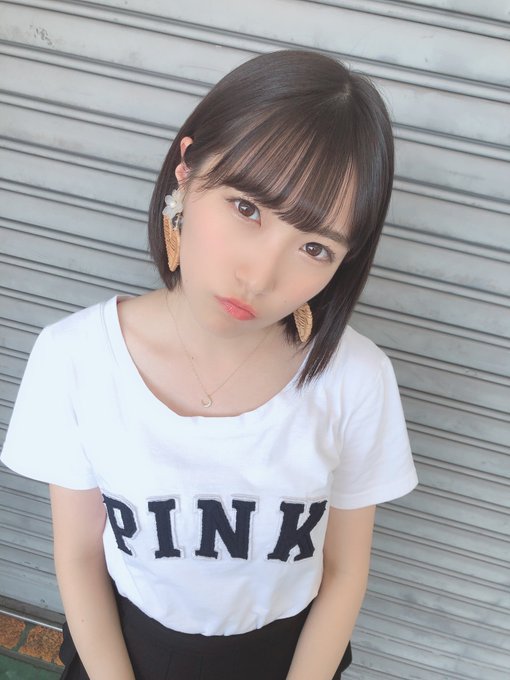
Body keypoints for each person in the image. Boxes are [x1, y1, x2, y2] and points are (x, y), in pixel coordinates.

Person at [1, 49, 418, 679]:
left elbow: (343, 569)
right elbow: (81, 556)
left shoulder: (356, 379)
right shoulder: (75, 357)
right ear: (187, 169)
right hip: (124, 650)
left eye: (314, 247)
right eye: (247, 208)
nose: (261, 275)